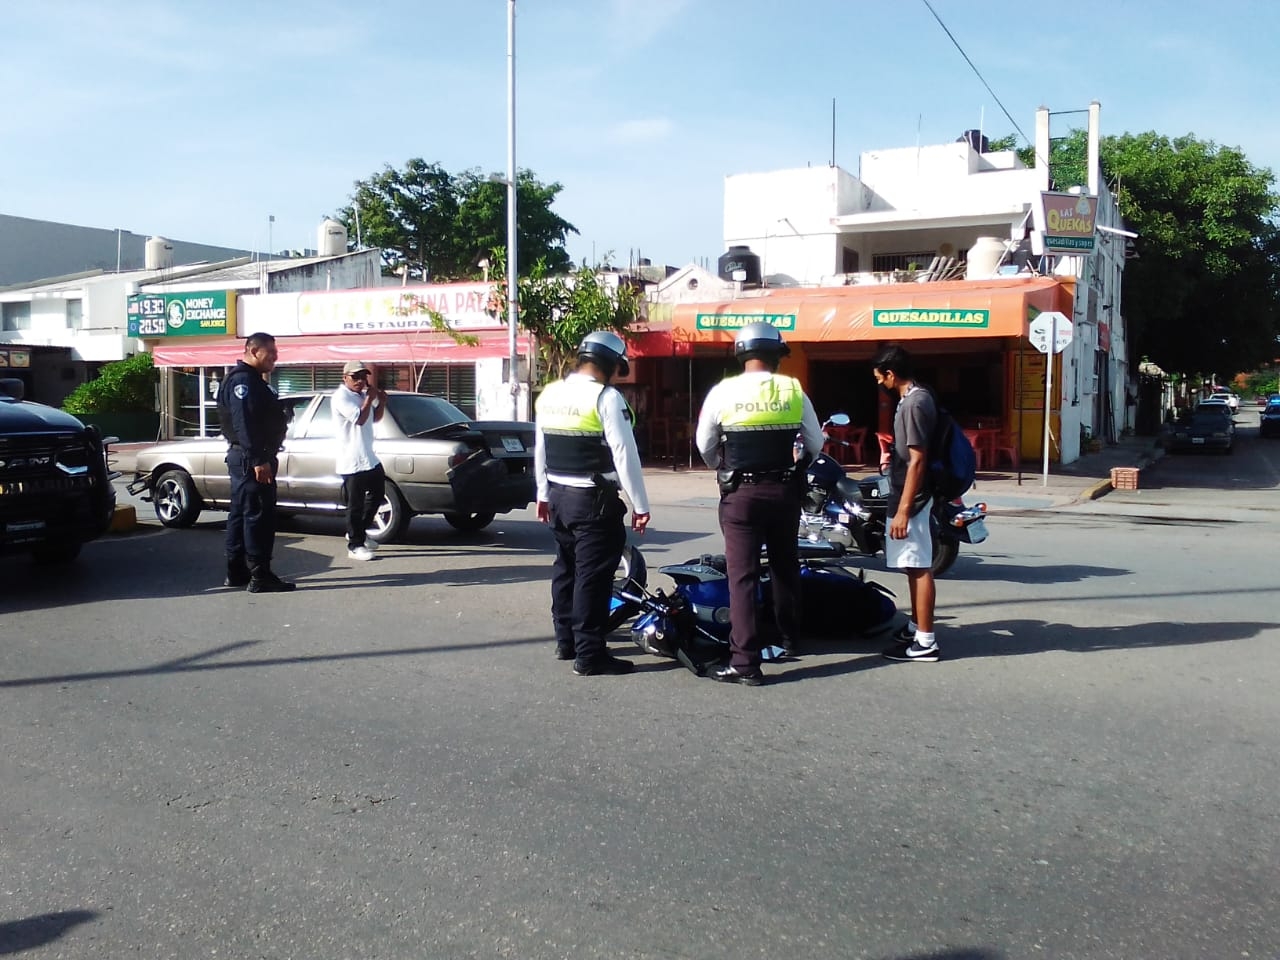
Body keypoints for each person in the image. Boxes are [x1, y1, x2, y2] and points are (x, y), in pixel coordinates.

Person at [695, 322, 824, 685]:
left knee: (743, 576)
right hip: (784, 492)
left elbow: (705, 443)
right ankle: (788, 638)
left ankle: (745, 662)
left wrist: (720, 466)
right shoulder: (793, 390)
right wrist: (799, 466)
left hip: (740, 495)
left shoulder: (723, 391)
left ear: (742, 354)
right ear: (776, 357)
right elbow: (815, 441)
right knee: (785, 566)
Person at [535, 331, 651, 677]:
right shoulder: (606, 397)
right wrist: (640, 505)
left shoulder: (551, 393)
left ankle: (565, 640)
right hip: (592, 501)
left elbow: (539, 447)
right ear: (612, 364)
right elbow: (624, 455)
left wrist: (542, 494)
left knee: (566, 569)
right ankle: (590, 654)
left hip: (557, 497)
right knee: (593, 578)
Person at [871, 344, 940, 662]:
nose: (879, 383)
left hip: (911, 497)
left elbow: (917, 460)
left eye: (880, 377)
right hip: (905, 491)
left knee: (918, 566)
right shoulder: (912, 399)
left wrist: (903, 510)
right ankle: (916, 627)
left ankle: (926, 642)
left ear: (891, 373)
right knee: (912, 566)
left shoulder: (915, 402)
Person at [217, 332, 295, 593]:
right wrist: (259, 459)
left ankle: (237, 571)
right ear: (253, 351)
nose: (275, 357)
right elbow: (244, 424)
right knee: (258, 515)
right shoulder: (243, 382)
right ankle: (260, 575)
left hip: (249, 457)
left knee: (241, 514)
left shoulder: (253, 381)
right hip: (252, 458)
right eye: (270, 352)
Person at [332, 359, 386, 562]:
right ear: (345, 377)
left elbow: (374, 418)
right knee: (355, 504)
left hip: (368, 457)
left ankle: (358, 532)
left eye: (363, 376)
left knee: (378, 494)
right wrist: (369, 398)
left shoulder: (363, 395)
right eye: (355, 377)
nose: (360, 381)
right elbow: (359, 419)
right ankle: (354, 545)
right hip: (351, 459)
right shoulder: (341, 397)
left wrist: (381, 402)